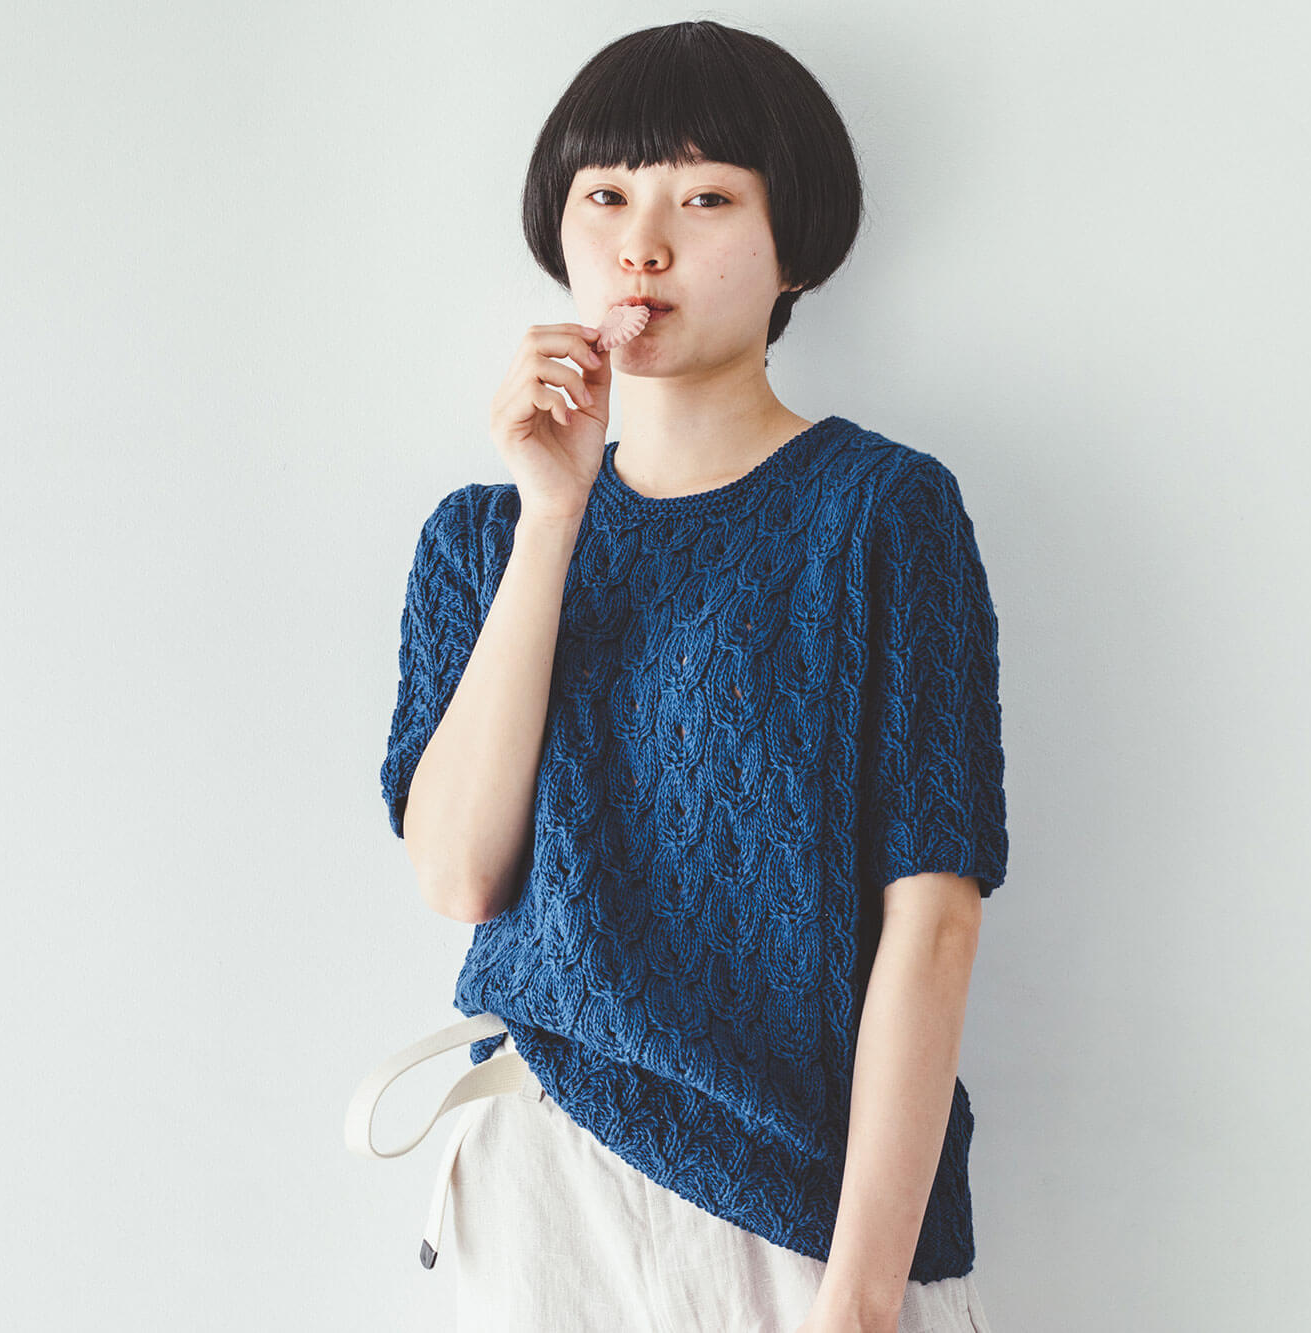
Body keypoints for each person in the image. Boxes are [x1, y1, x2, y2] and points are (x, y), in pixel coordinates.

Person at [372, 20, 1007, 1333]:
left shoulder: (880, 513)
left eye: (705, 198)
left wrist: (861, 1298)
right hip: (545, 1181)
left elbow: (935, 915)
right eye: (605, 196)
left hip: (803, 1211)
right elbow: (459, 876)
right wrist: (553, 515)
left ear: (796, 245)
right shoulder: (480, 538)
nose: (642, 244)